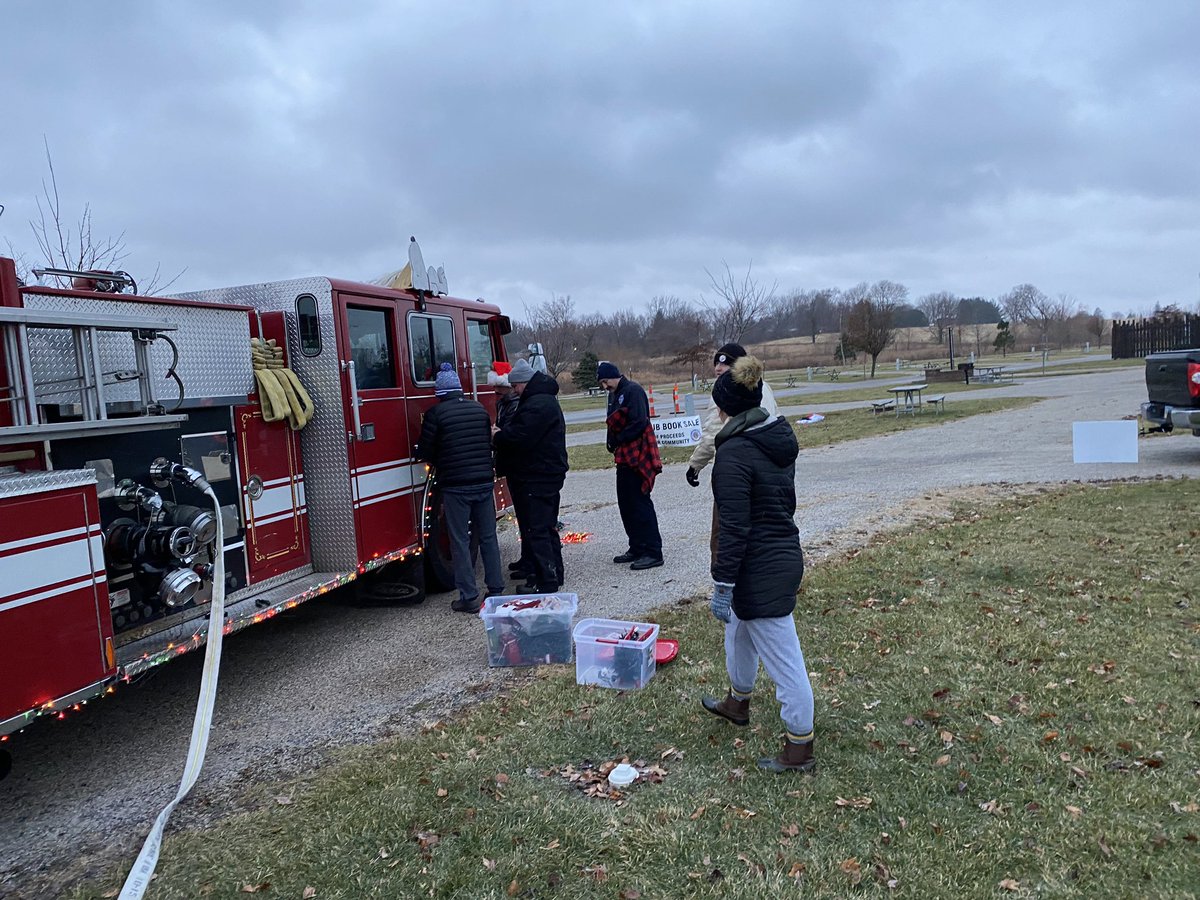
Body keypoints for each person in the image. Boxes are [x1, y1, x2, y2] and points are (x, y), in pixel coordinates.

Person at [699, 354, 816, 773]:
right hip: (777, 554)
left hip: (760, 567)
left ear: (726, 409)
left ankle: (799, 747)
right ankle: (738, 701)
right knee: (738, 632)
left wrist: (723, 582)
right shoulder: (774, 438)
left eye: (717, 405)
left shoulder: (733, 456)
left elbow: (734, 528)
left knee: (785, 662)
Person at [414, 363, 505, 614]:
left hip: (455, 487)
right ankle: (496, 589)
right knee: (487, 537)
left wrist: (419, 452)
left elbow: (427, 449)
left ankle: (469, 597)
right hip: (484, 483)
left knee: (460, 541)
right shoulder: (478, 410)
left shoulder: (436, 415)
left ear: (440, 393)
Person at [685, 343, 777, 566]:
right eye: (716, 363)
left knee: (724, 534)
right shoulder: (764, 388)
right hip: (768, 470)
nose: (718, 368)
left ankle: (724, 590)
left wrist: (695, 465)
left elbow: (712, 436)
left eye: (725, 364)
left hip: (736, 471)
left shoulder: (726, 392)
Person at [492, 358, 568, 593]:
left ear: (524, 383)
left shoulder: (537, 405)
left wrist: (498, 435)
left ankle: (545, 581)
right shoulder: (543, 400)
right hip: (546, 472)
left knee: (537, 529)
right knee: (546, 526)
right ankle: (555, 572)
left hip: (538, 474)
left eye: (515, 386)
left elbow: (521, 437)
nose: (513, 390)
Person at [597, 360, 663, 570]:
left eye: (605, 381)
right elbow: (611, 420)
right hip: (623, 455)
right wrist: (610, 440)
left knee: (640, 503)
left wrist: (619, 438)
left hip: (637, 453)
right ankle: (636, 546)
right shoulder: (614, 394)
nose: (604, 386)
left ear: (613, 376)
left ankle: (653, 552)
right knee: (626, 503)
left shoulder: (633, 391)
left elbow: (639, 422)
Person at [489, 363, 530, 581]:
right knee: (523, 517)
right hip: (512, 465)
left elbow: (514, 433)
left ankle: (529, 560)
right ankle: (526, 557)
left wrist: (498, 434)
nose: (495, 393)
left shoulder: (514, 404)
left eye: (499, 389)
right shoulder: (506, 403)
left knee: (528, 516)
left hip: (518, 465)